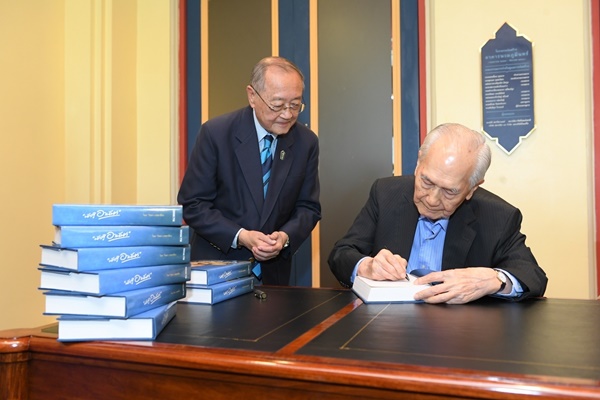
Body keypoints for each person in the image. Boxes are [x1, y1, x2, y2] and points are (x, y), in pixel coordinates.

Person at [328, 123, 547, 304]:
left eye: (450, 191)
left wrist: (496, 279)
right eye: (426, 181)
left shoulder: (498, 217)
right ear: (418, 164)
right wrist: (366, 266)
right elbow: (341, 254)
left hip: (459, 333)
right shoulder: (386, 194)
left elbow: (532, 276)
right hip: (386, 323)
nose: (432, 200)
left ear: (472, 189)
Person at [178, 56, 321, 285]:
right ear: (252, 96)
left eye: (295, 105)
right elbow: (193, 204)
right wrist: (241, 236)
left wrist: (284, 237)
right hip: (217, 271)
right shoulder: (216, 134)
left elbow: (308, 207)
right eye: (277, 105)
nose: (287, 114)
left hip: (274, 277)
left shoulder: (306, 142)